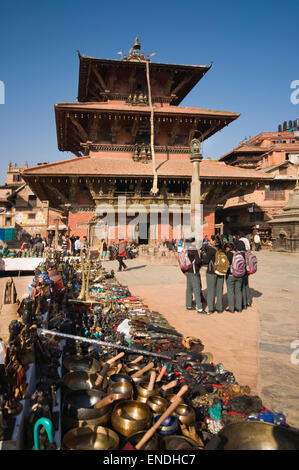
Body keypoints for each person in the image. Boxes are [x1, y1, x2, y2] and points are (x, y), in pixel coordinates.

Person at [201, 235, 226, 314]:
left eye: (211, 240)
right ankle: (219, 308)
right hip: (221, 271)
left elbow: (205, 261)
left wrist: (204, 253)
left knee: (211, 291)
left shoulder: (211, 250)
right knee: (219, 290)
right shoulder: (222, 249)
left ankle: (211, 308)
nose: (209, 242)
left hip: (212, 272)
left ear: (214, 241)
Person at [184, 238, 204, 314]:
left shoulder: (184, 248)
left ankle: (188, 305)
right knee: (196, 288)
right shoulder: (193, 249)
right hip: (193, 271)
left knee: (189, 288)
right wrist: (201, 262)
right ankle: (200, 308)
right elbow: (198, 260)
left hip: (187, 270)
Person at [224, 242, 243, 313]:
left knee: (230, 292)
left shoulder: (228, 255)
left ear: (228, 248)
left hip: (231, 275)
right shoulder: (238, 253)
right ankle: (239, 308)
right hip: (240, 274)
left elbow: (226, 265)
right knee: (238, 291)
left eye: (226, 248)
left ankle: (231, 309)